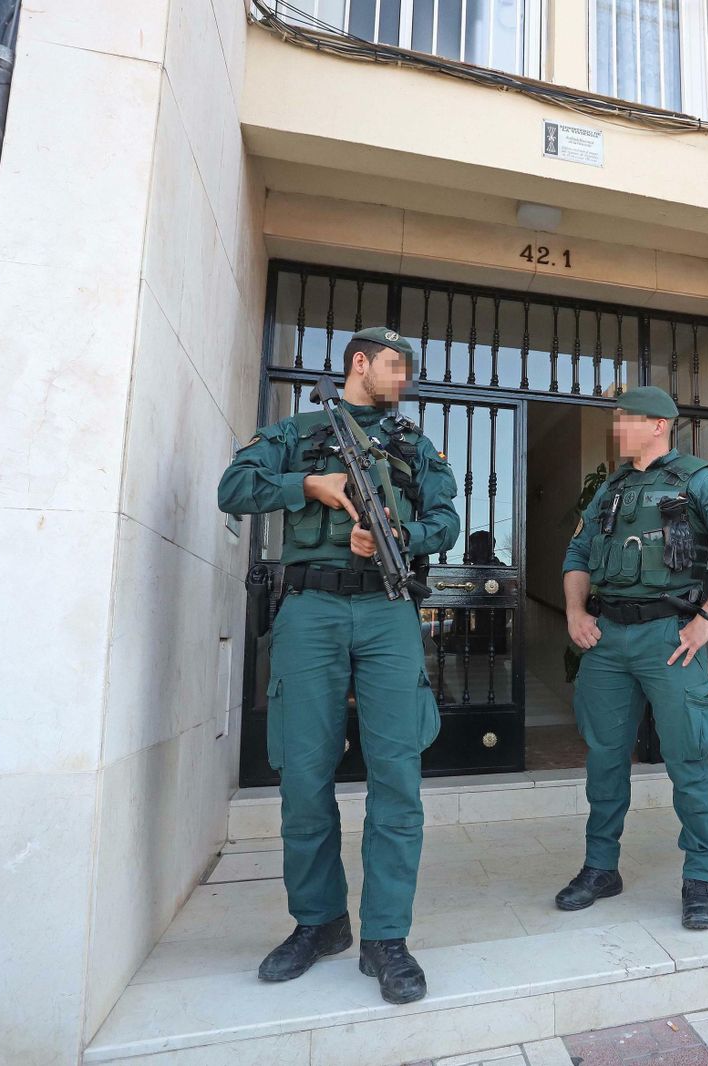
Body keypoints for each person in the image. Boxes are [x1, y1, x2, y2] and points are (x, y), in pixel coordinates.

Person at [217, 326, 460, 1003]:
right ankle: (319, 922)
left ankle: (386, 937)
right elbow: (233, 487)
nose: (403, 378)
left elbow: (445, 517)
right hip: (310, 611)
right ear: (359, 363)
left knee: (397, 775)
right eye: (394, 366)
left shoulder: (415, 445)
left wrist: (402, 535)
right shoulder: (296, 431)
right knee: (303, 771)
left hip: (386, 609)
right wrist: (308, 486)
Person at [556, 386, 708, 931]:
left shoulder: (699, 480)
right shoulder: (611, 488)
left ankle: (701, 877)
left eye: (624, 419)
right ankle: (600, 867)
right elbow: (577, 555)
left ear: (657, 425)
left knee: (687, 759)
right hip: (607, 641)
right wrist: (577, 613)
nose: (617, 427)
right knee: (604, 758)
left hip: (668, 637)